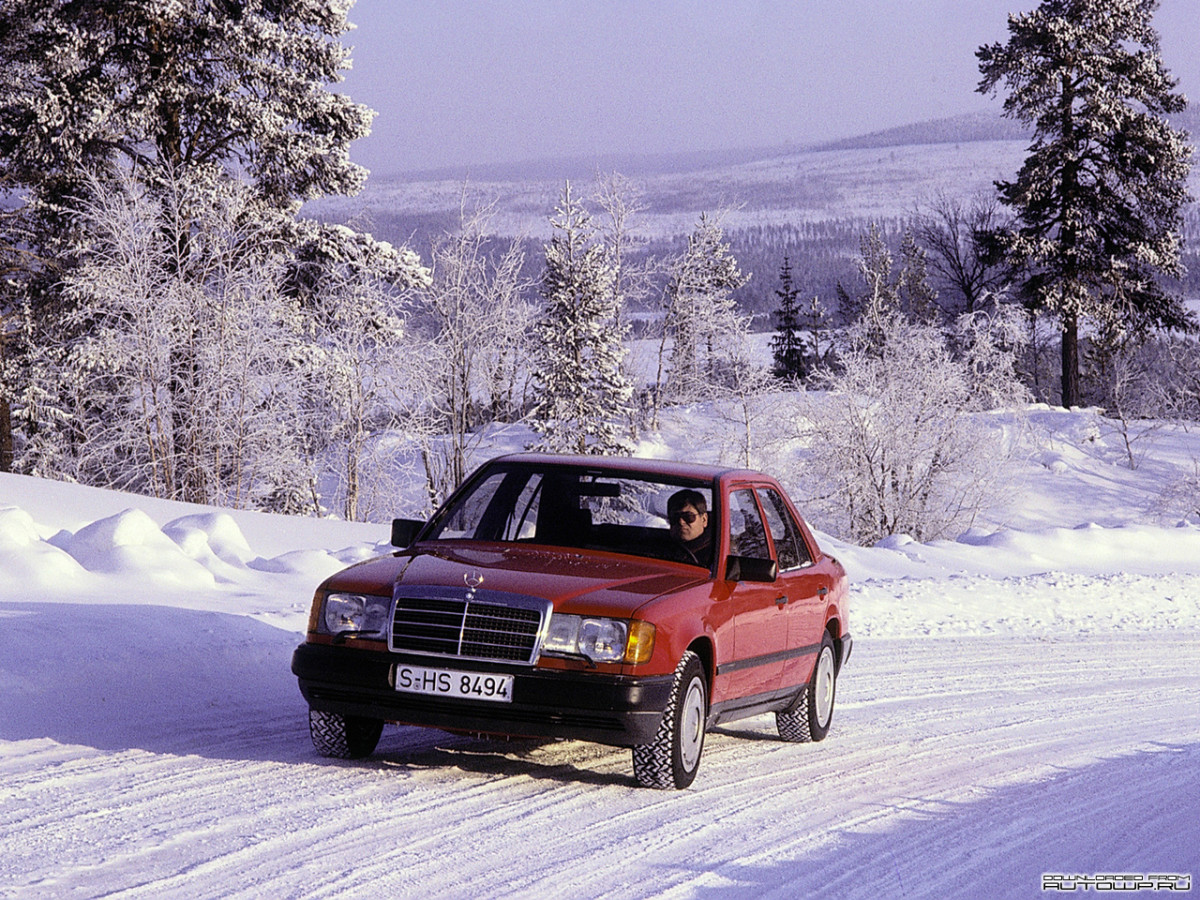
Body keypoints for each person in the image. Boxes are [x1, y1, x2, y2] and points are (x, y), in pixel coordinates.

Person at [667, 489, 712, 566]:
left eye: (688, 517)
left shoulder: (716, 555)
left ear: (704, 519)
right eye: (675, 517)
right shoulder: (655, 547)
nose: (681, 522)